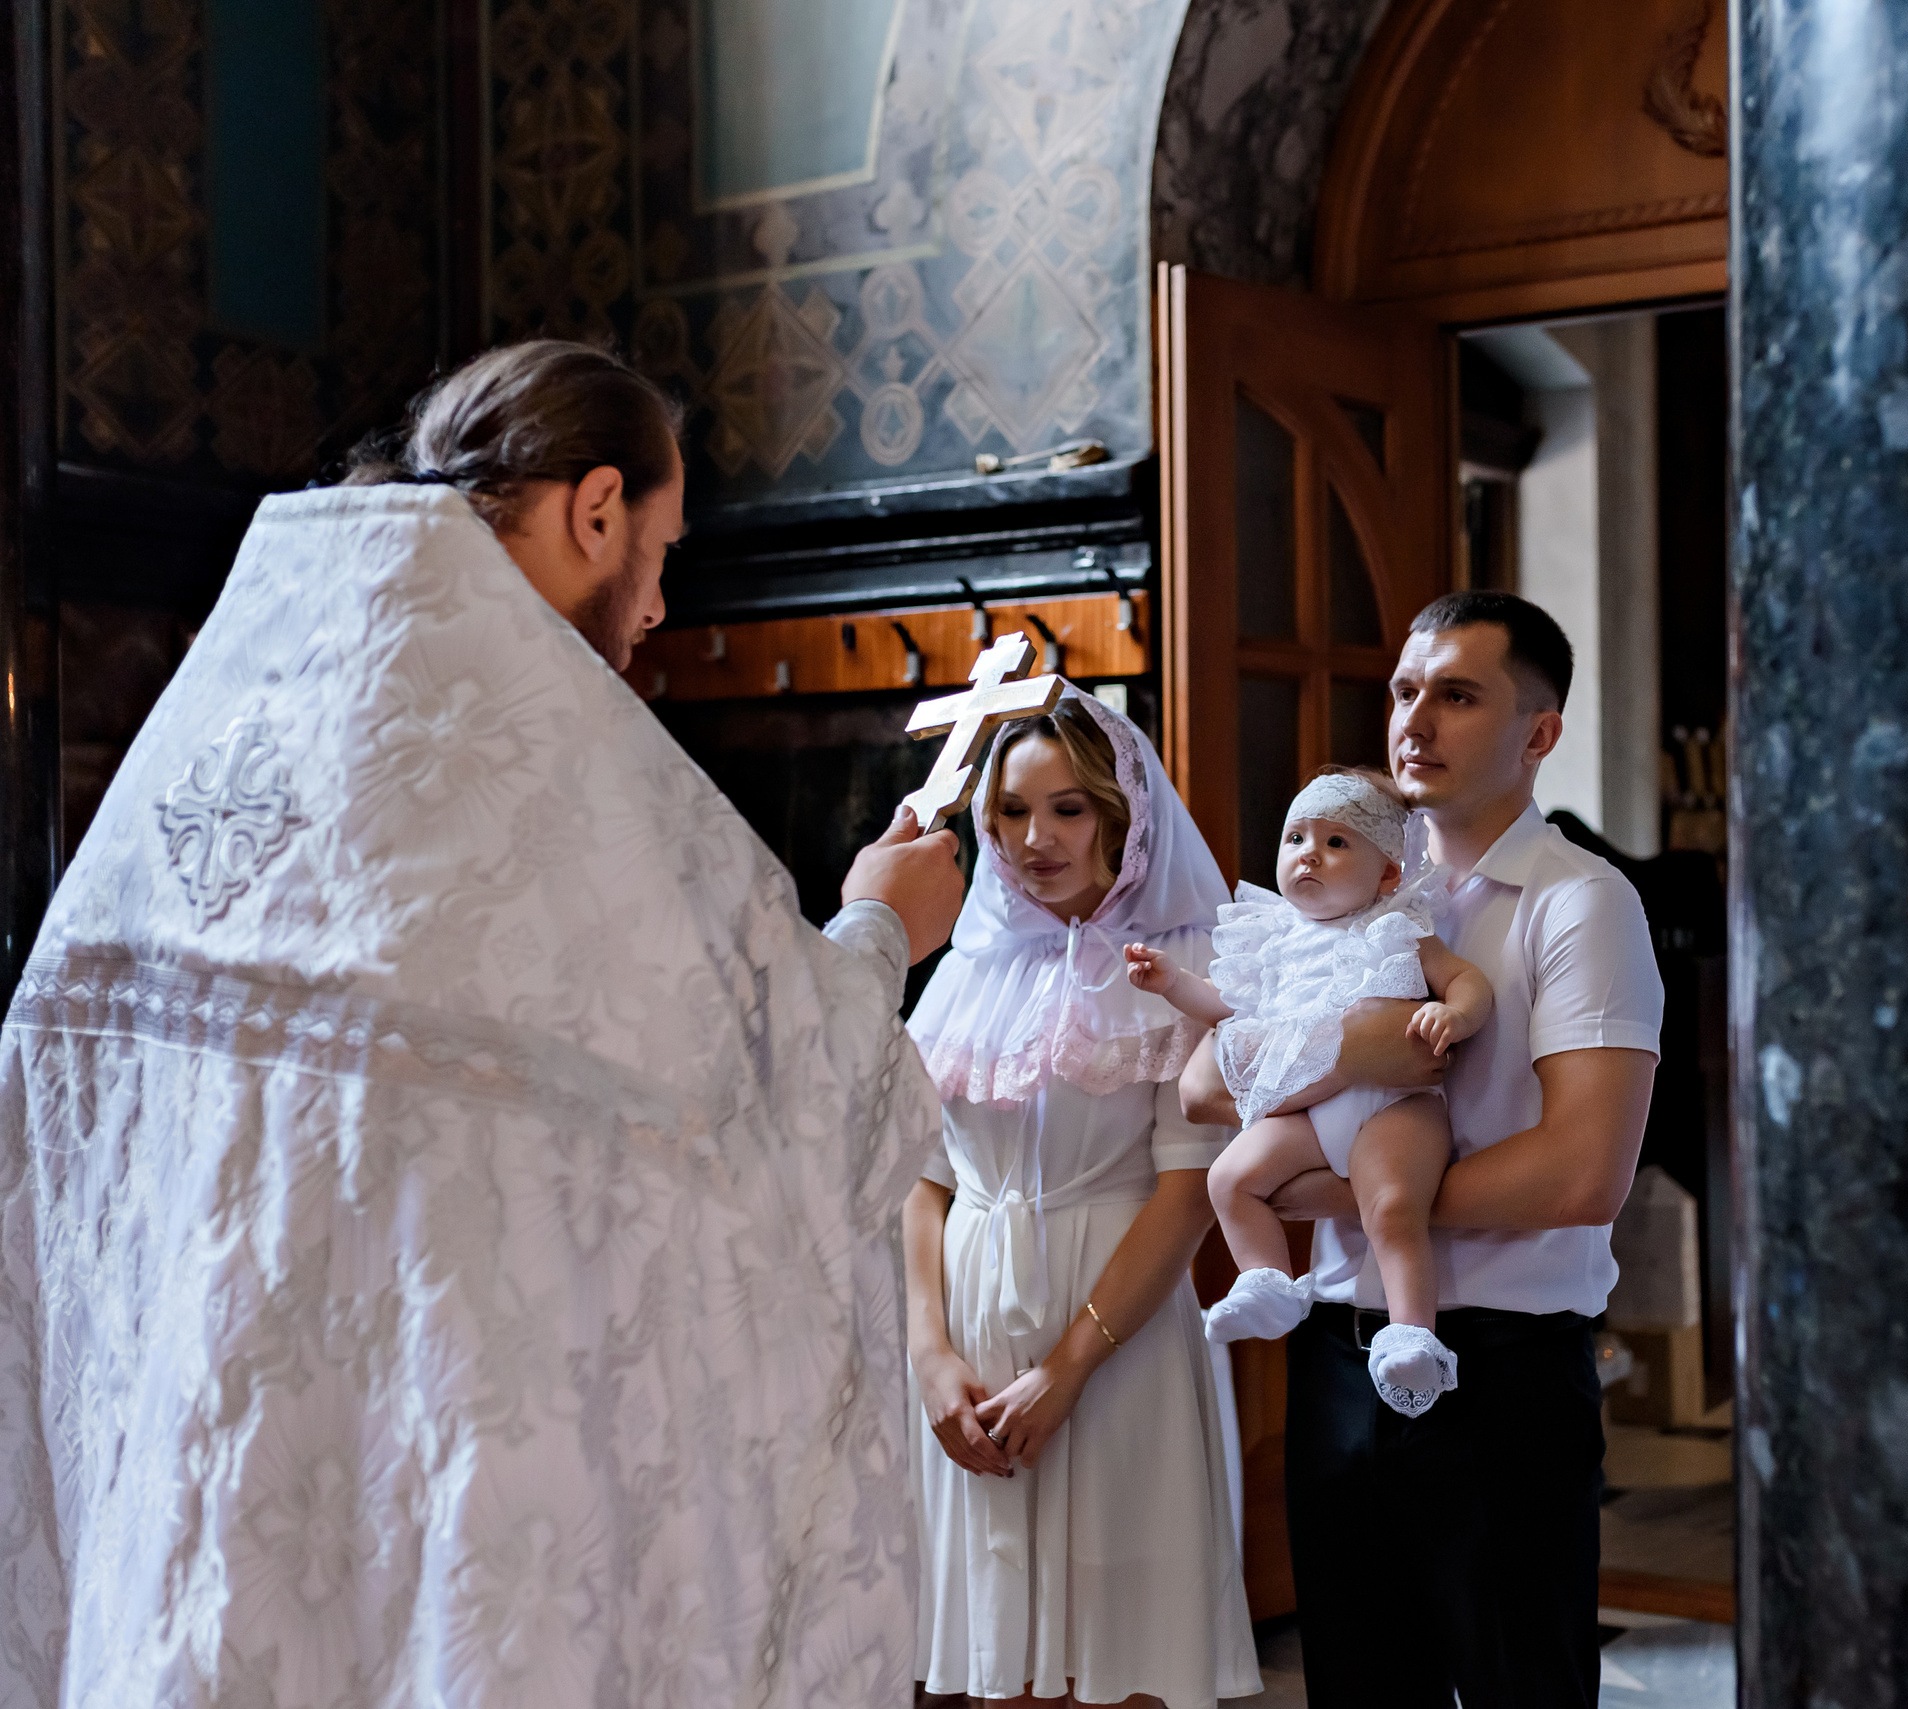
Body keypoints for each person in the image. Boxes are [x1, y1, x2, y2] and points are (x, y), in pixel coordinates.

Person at [0, 340, 967, 1709]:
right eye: (662, 547)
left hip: (205, 1482)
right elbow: (796, 1096)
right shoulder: (554, 769)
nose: (657, 605)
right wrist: (881, 926)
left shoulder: (247, 704)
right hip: (458, 1478)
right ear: (593, 512)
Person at [1181, 591, 1665, 1707]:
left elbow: (1581, 1172)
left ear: (1537, 731)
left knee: (1516, 1688)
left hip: (1503, 1367)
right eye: (1405, 690)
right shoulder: (1345, 888)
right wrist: (1360, 1043)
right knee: (1357, 1687)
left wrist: (1353, 1196)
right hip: (1337, 1361)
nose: (1416, 721)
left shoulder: (1578, 904)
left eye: (1457, 694)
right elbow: (1209, 1081)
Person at [901, 690, 1260, 1708]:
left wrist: (1067, 1367)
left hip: (1117, 1341)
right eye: (1011, 811)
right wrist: (930, 1353)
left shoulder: (1181, 962)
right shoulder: (962, 973)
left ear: (1120, 815)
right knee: (990, 1667)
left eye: (1066, 808)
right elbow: (918, 1179)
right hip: (967, 1338)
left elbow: (1189, 1190)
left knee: (1115, 1660)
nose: (1033, 837)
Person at [1126, 766, 1492, 1417]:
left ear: (1386, 872)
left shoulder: (1398, 926)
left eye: (1336, 842)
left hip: (1395, 1107)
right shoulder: (1275, 940)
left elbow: (1465, 979)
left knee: (1392, 1205)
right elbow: (1225, 1009)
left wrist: (1456, 1014)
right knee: (1230, 1177)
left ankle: (1411, 1330)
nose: (1308, 854)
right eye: (1296, 837)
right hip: (1311, 1112)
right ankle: (1267, 1277)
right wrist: (1171, 983)